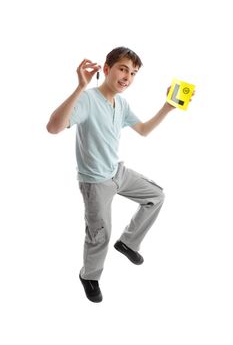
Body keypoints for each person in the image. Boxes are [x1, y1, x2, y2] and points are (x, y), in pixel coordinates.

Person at [46, 47, 177, 303]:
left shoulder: (122, 102)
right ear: (107, 70)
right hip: (95, 182)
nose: (128, 76)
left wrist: (167, 107)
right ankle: (90, 276)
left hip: (117, 172)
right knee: (99, 234)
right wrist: (79, 88)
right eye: (123, 69)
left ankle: (128, 243)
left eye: (133, 73)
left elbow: (143, 130)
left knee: (156, 196)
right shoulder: (87, 99)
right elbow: (53, 127)